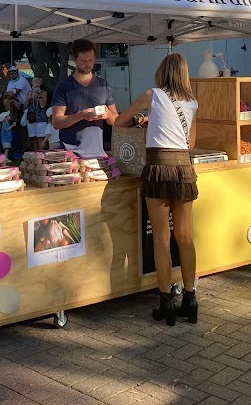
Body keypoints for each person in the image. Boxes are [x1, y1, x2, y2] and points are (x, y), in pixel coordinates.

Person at [114, 52, 199, 326]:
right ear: (184, 74)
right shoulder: (193, 103)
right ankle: (191, 299)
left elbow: (119, 120)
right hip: (184, 171)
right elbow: (191, 143)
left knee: (162, 239)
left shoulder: (151, 96)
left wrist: (144, 122)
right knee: (185, 238)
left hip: (158, 169)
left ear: (162, 72)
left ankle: (166, 303)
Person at [51, 39, 118, 158]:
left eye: (91, 60)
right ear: (74, 60)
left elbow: (116, 121)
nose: (88, 64)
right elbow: (56, 122)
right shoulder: (64, 86)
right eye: (83, 61)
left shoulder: (103, 85)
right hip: (70, 155)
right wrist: (81, 115)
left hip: (98, 153)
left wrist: (107, 114)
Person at [23, 76, 48, 151]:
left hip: (40, 118)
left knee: (40, 138)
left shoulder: (43, 92)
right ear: (32, 83)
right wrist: (28, 99)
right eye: (35, 82)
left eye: (38, 82)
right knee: (32, 138)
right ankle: (34, 154)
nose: (36, 84)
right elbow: (25, 106)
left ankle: (40, 154)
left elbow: (43, 105)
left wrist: (39, 95)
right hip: (31, 118)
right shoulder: (29, 93)